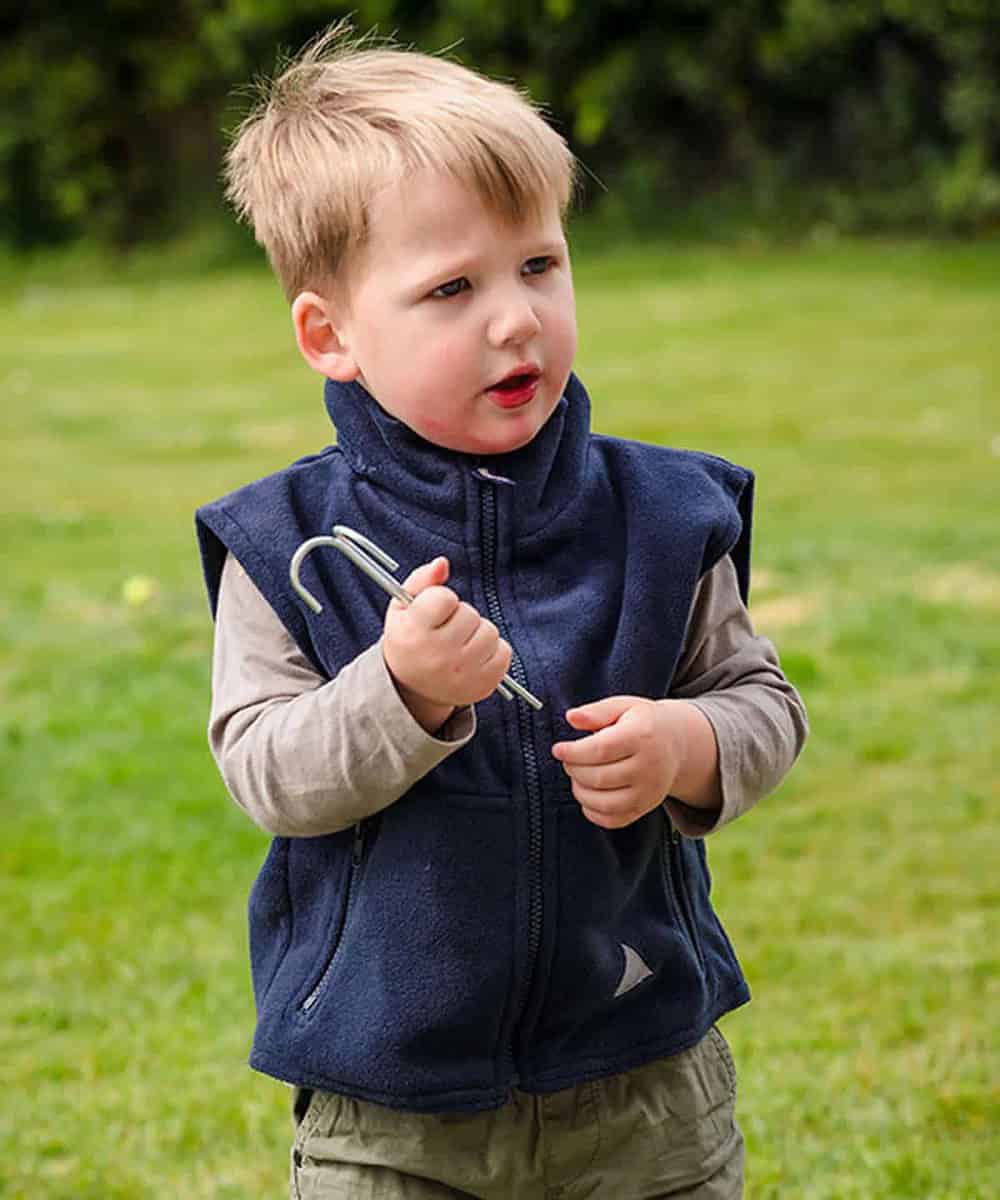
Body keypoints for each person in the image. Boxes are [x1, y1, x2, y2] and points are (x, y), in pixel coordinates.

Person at [195, 24, 808, 1200]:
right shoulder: (287, 550)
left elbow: (761, 702)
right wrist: (400, 691)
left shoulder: (665, 515)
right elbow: (267, 769)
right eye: (450, 289)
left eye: (538, 264)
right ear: (332, 335)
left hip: (643, 1080)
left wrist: (688, 745)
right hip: (390, 1113)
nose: (515, 319)